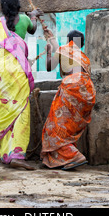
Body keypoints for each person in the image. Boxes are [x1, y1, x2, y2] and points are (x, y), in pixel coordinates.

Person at [0, 0, 42, 170]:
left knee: (3, 111)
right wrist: (34, 16)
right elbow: (33, 29)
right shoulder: (24, 20)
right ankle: (17, 155)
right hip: (17, 71)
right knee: (20, 112)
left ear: (2, 7)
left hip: (0, 73)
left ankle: (7, 155)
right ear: (18, 6)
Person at [40, 29, 96, 170]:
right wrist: (52, 40)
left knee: (55, 127)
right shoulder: (83, 57)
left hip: (72, 88)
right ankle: (66, 159)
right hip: (88, 92)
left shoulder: (65, 49)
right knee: (68, 128)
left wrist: (48, 52)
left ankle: (74, 156)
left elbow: (49, 67)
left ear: (69, 41)